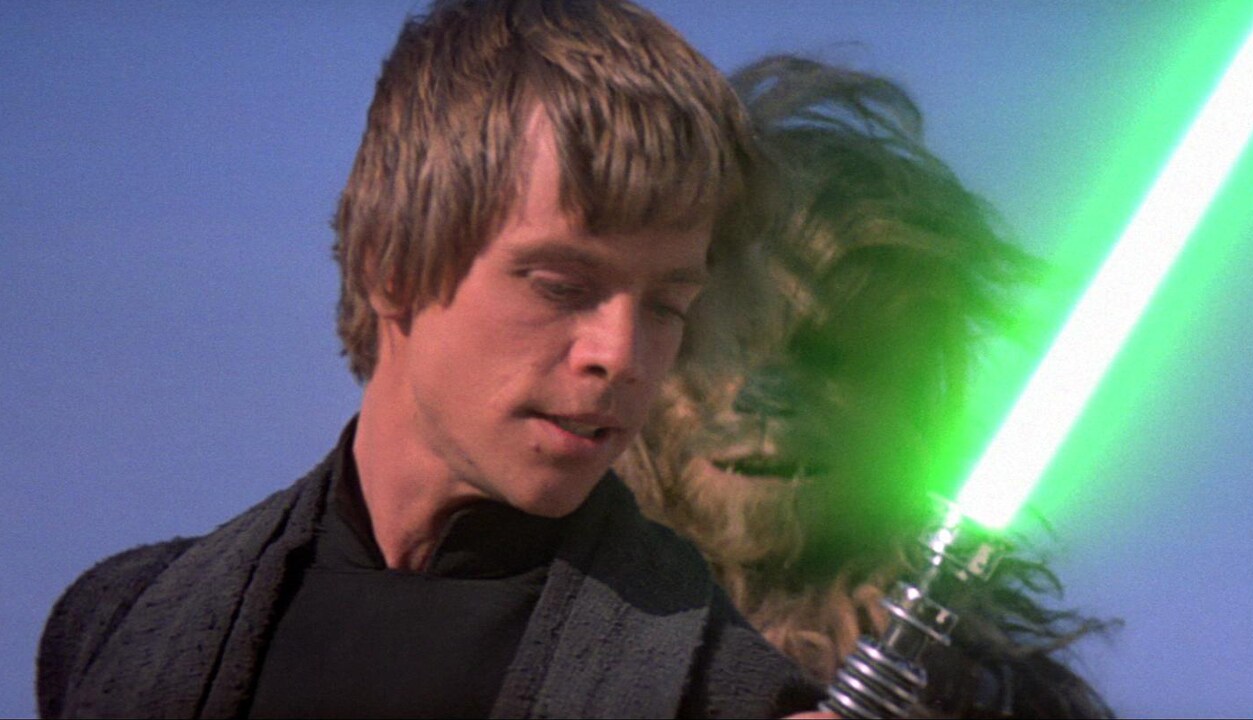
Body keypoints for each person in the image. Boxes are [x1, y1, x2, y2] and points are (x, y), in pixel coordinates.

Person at [35, 3, 827, 718]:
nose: (621, 356)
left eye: (666, 307)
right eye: (562, 286)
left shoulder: (722, 690)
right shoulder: (117, 628)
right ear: (392, 266)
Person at [618, 56, 1116, 718]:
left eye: (828, 355)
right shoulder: (535, 620)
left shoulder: (993, 692)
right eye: (715, 348)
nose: (763, 394)